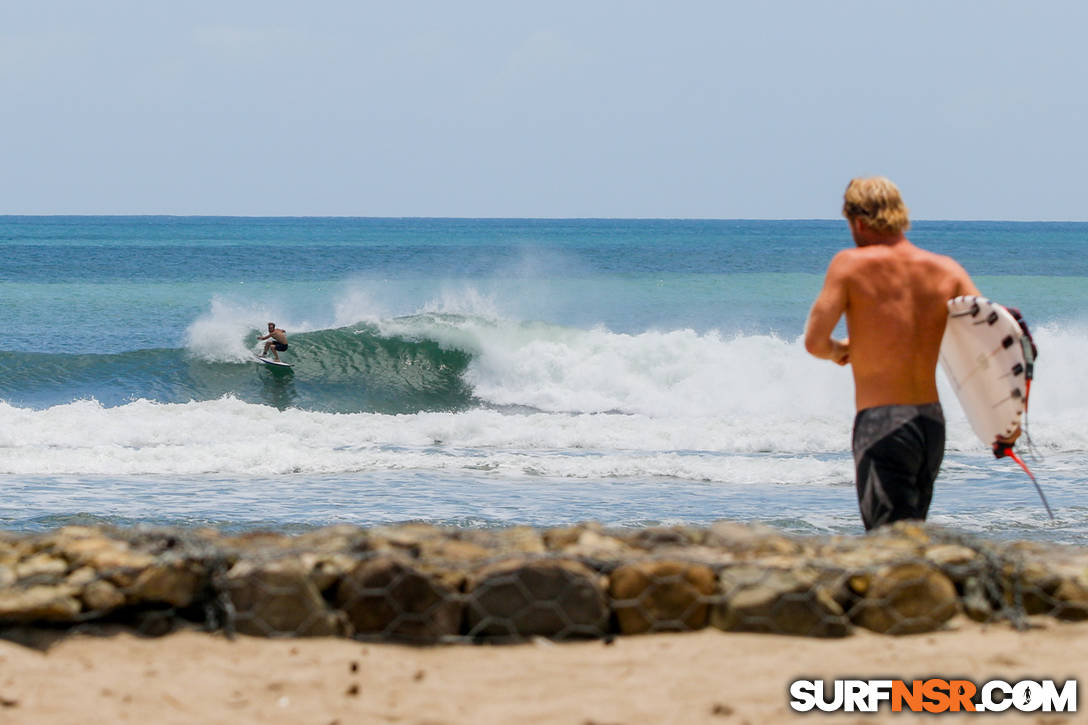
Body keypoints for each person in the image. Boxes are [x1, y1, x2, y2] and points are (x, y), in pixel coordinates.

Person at [804, 177, 982, 531]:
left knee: (888, 546)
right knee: (912, 534)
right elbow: (988, 338)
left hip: (883, 425)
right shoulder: (947, 269)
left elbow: (815, 341)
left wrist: (839, 351)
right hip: (931, 425)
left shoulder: (850, 265)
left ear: (858, 221)